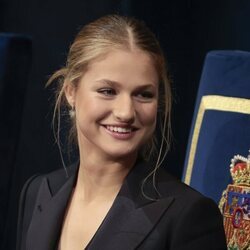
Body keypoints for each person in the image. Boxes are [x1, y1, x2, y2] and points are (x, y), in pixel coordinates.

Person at [16, 15, 227, 250]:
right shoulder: (38, 192)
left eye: (143, 94)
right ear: (71, 92)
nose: (126, 112)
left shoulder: (188, 216)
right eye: (108, 91)